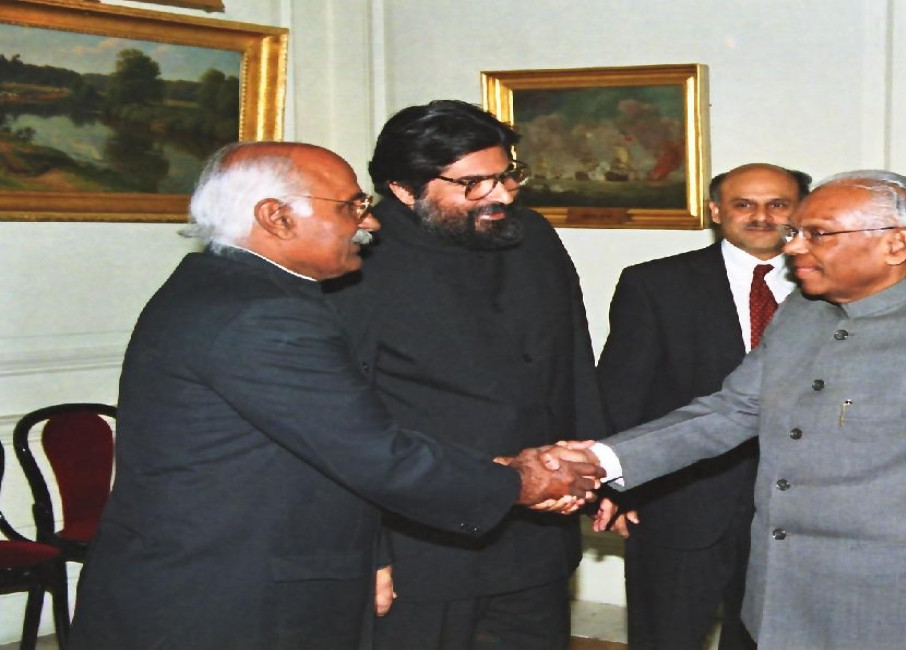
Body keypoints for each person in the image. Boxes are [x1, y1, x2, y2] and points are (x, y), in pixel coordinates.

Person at [68, 142, 601, 650]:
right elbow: (375, 453)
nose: (369, 223)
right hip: (227, 600)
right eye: (351, 207)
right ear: (276, 217)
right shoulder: (262, 315)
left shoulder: (226, 287)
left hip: (220, 583)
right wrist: (522, 480)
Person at [584, 170, 906, 649]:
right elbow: (731, 410)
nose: (792, 247)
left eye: (817, 234)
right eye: (796, 232)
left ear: (896, 244)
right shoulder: (802, 312)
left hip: (898, 614)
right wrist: (596, 461)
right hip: (781, 604)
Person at [323, 100, 608, 650]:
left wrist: (601, 466)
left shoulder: (533, 236)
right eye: (473, 184)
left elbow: (572, 359)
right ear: (404, 189)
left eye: (506, 176)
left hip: (539, 530)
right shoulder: (357, 261)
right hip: (424, 545)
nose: (501, 195)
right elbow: (345, 424)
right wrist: (369, 548)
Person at [596, 163, 809, 650]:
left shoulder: (832, 286)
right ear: (716, 211)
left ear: (801, 211)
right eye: (743, 204)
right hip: (679, 502)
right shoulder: (655, 284)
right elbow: (621, 391)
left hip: (795, 511)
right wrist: (616, 485)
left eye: (777, 204)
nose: (761, 216)